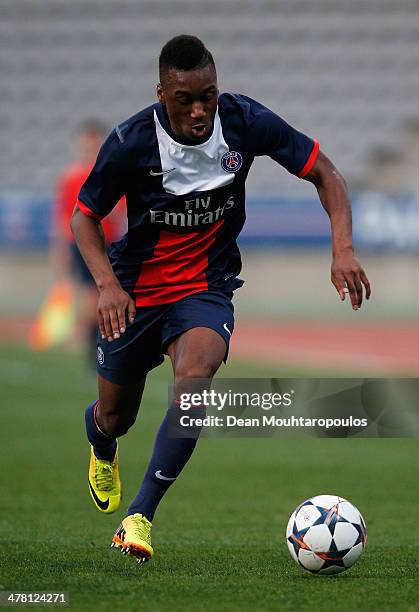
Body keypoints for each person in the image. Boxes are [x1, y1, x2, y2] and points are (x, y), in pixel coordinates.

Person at [70, 34, 371, 564]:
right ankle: (101, 444)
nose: (200, 110)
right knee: (117, 417)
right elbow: (84, 216)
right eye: (185, 99)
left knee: (195, 381)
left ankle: (140, 516)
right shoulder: (131, 141)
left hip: (205, 289)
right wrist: (108, 287)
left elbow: (327, 173)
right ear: (161, 92)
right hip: (135, 293)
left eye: (208, 95)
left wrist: (342, 248)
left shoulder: (245, 120)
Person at [52, 120, 125, 365]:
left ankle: (94, 344)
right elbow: (64, 216)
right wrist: (61, 247)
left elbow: (121, 211)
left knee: (103, 296)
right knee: (92, 296)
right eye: (88, 140)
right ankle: (90, 342)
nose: (91, 145)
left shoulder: (112, 172)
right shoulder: (71, 177)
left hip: (111, 242)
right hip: (85, 243)